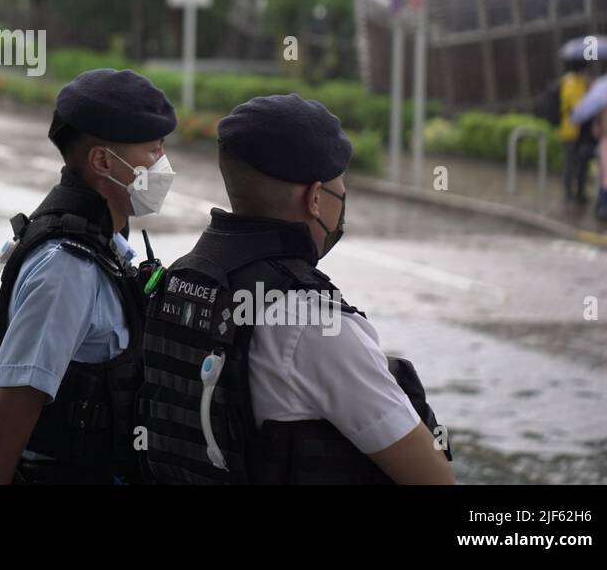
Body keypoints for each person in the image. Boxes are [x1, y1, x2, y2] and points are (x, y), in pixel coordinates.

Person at [140, 94, 455, 485]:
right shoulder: (317, 325)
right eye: (341, 192)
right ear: (316, 199)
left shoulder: (178, 283)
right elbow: (433, 478)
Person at [0, 68, 177, 484]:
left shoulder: (106, 243)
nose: (163, 165)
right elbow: (5, 424)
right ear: (103, 161)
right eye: (153, 152)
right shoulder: (67, 268)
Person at [557, 63, 590, 203]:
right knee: (571, 162)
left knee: (581, 163)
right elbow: (577, 107)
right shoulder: (571, 83)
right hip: (571, 130)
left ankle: (579, 192)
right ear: (581, 70)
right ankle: (569, 192)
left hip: (579, 131)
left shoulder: (581, 83)